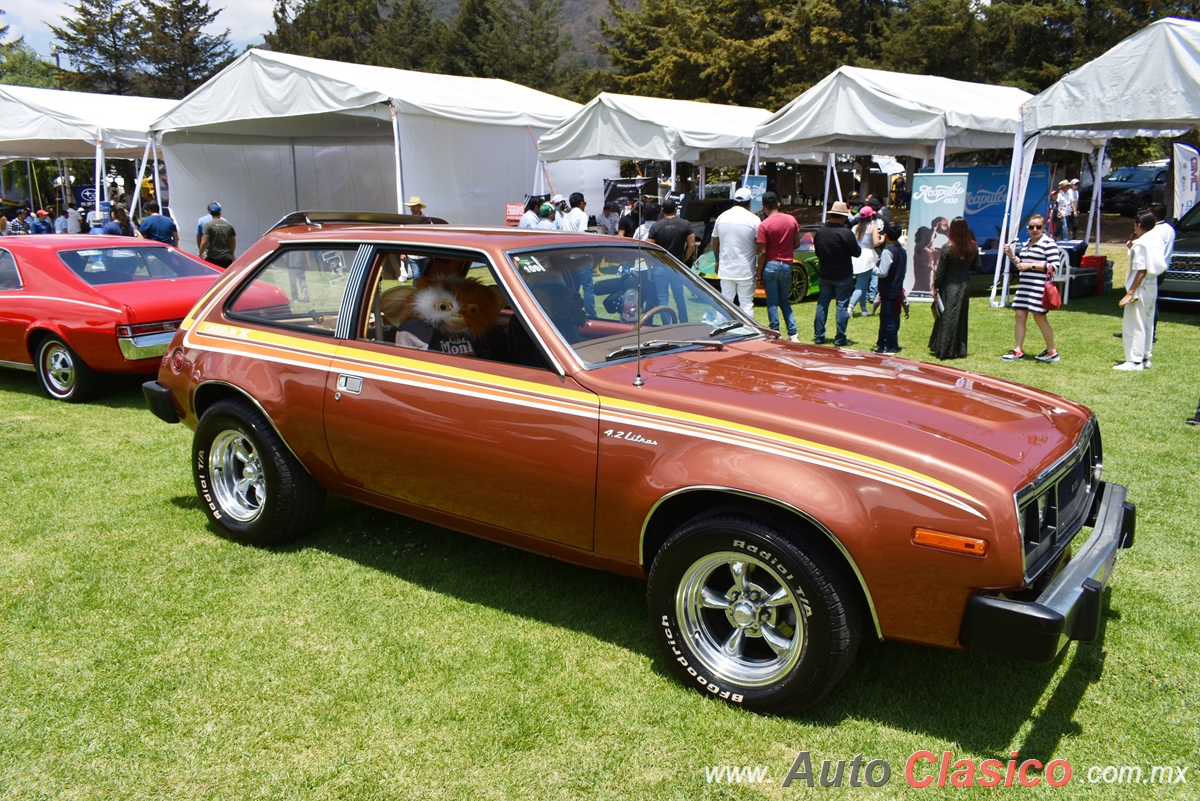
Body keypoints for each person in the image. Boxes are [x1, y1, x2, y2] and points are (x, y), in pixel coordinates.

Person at [1002, 214, 1059, 362]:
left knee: (1040, 318)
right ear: (1027, 228)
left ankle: (1052, 351)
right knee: (1020, 316)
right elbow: (1021, 265)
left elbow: (1055, 266)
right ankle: (1018, 350)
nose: (1035, 230)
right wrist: (1011, 255)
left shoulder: (1048, 243)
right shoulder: (1026, 243)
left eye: (1038, 227)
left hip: (1039, 288)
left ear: (1043, 228)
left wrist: (1032, 265)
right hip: (1024, 287)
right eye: (1032, 227)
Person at [1114, 211, 1163, 370]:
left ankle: (1134, 360)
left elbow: (1141, 269)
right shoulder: (1154, 239)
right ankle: (1145, 356)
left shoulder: (1142, 243)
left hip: (1141, 287)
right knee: (1147, 322)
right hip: (1152, 285)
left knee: (1135, 323)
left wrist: (1130, 293)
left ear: (1139, 225)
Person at [928, 217, 977, 360]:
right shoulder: (972, 246)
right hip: (964, 283)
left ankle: (945, 348)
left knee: (947, 316)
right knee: (961, 316)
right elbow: (977, 266)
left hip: (949, 284)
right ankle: (960, 348)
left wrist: (936, 287)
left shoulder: (948, 247)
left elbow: (941, 271)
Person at [811, 200, 860, 346]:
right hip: (843, 274)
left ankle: (819, 335)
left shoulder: (820, 232)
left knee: (822, 305)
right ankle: (840, 338)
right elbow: (857, 253)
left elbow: (818, 252)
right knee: (841, 306)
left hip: (825, 273)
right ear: (842, 217)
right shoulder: (846, 233)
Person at [755, 191, 800, 341]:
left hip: (770, 265)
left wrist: (759, 274)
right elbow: (797, 243)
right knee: (784, 301)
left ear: (764, 207)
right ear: (778, 203)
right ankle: (793, 333)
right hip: (787, 264)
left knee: (772, 302)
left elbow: (762, 252)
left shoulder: (764, 225)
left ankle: (775, 332)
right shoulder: (791, 220)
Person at [711, 187, 760, 317]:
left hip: (726, 268)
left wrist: (717, 261)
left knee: (725, 302)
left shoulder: (721, 217)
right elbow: (759, 245)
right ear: (749, 203)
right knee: (746, 303)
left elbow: (715, 243)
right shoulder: (754, 220)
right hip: (746, 269)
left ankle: (721, 331)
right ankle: (748, 332)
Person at [649, 197, 696, 321]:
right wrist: (683, 260)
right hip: (676, 265)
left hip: (660, 265)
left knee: (663, 299)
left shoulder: (655, 227)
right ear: (676, 209)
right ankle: (683, 324)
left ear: (663, 210)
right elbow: (692, 245)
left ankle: (667, 326)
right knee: (680, 298)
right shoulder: (685, 224)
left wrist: (650, 268)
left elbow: (650, 249)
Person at [873, 222, 907, 355]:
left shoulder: (888, 252)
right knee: (894, 316)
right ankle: (891, 343)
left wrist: (872, 268)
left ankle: (888, 346)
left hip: (888, 289)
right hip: (897, 288)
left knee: (887, 318)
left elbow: (882, 272)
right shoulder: (902, 250)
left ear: (886, 235)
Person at [848, 205, 881, 317]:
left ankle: (864, 308)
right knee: (861, 285)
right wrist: (882, 239)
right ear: (870, 216)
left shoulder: (854, 228)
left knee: (862, 284)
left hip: (857, 257)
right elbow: (876, 243)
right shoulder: (873, 226)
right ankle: (850, 307)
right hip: (868, 257)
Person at [199, 203, 237, 267]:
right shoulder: (229, 225)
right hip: (226, 257)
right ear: (220, 212)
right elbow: (233, 241)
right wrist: (232, 254)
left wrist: (200, 253)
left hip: (213, 257)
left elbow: (204, 241)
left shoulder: (208, 225)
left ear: (210, 213)